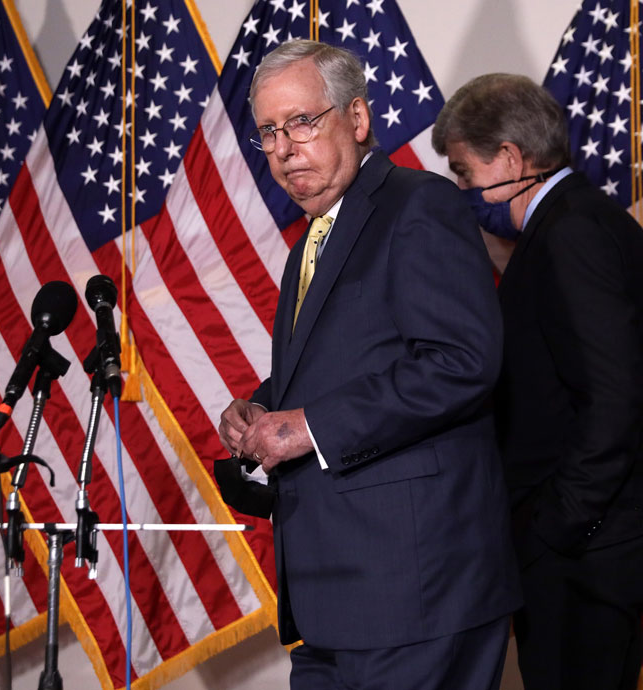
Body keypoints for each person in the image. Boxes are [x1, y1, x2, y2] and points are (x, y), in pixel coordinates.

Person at [217, 41, 520, 690]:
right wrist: (262, 407)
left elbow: (462, 361)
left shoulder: (419, 205)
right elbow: (348, 366)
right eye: (268, 131)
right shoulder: (312, 242)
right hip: (334, 599)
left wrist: (308, 428)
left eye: (301, 121)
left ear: (356, 120)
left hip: (416, 590)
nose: (283, 147)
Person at [432, 72, 643, 689]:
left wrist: (556, 529)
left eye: (464, 171)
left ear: (510, 159)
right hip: (585, 546)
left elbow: (612, 400)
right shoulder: (567, 226)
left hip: (584, 550)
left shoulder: (571, 234)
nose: (461, 187)